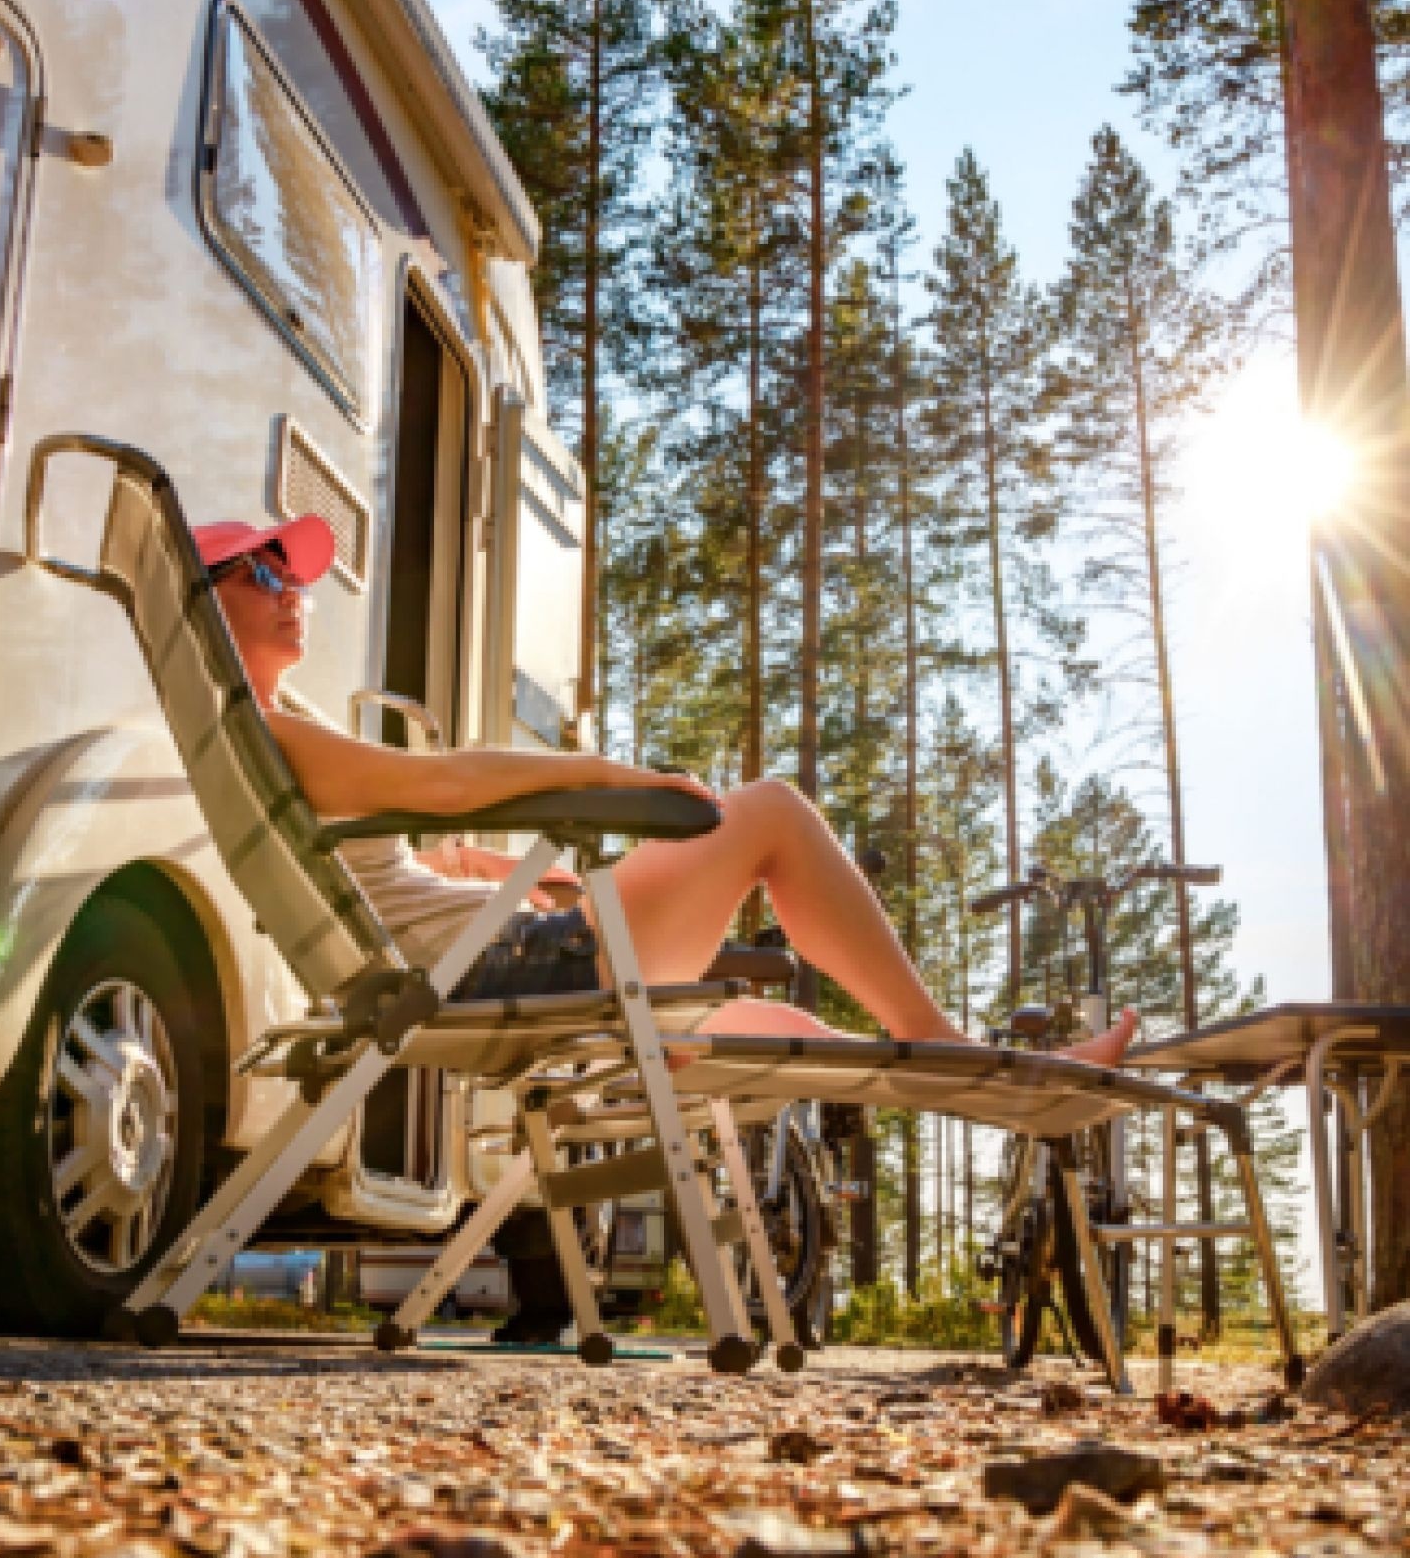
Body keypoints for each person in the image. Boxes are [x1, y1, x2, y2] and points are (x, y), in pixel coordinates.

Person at [194, 513, 1138, 1340]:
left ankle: (996, 1089)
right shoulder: (271, 734)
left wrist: (495, 873)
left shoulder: (283, 730)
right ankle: (939, 1038)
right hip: (511, 975)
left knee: (795, 1036)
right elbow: (442, 783)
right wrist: (614, 781)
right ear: (206, 607)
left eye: (298, 575)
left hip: (508, 960)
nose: (295, 592)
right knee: (767, 811)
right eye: (262, 573)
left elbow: (403, 862)